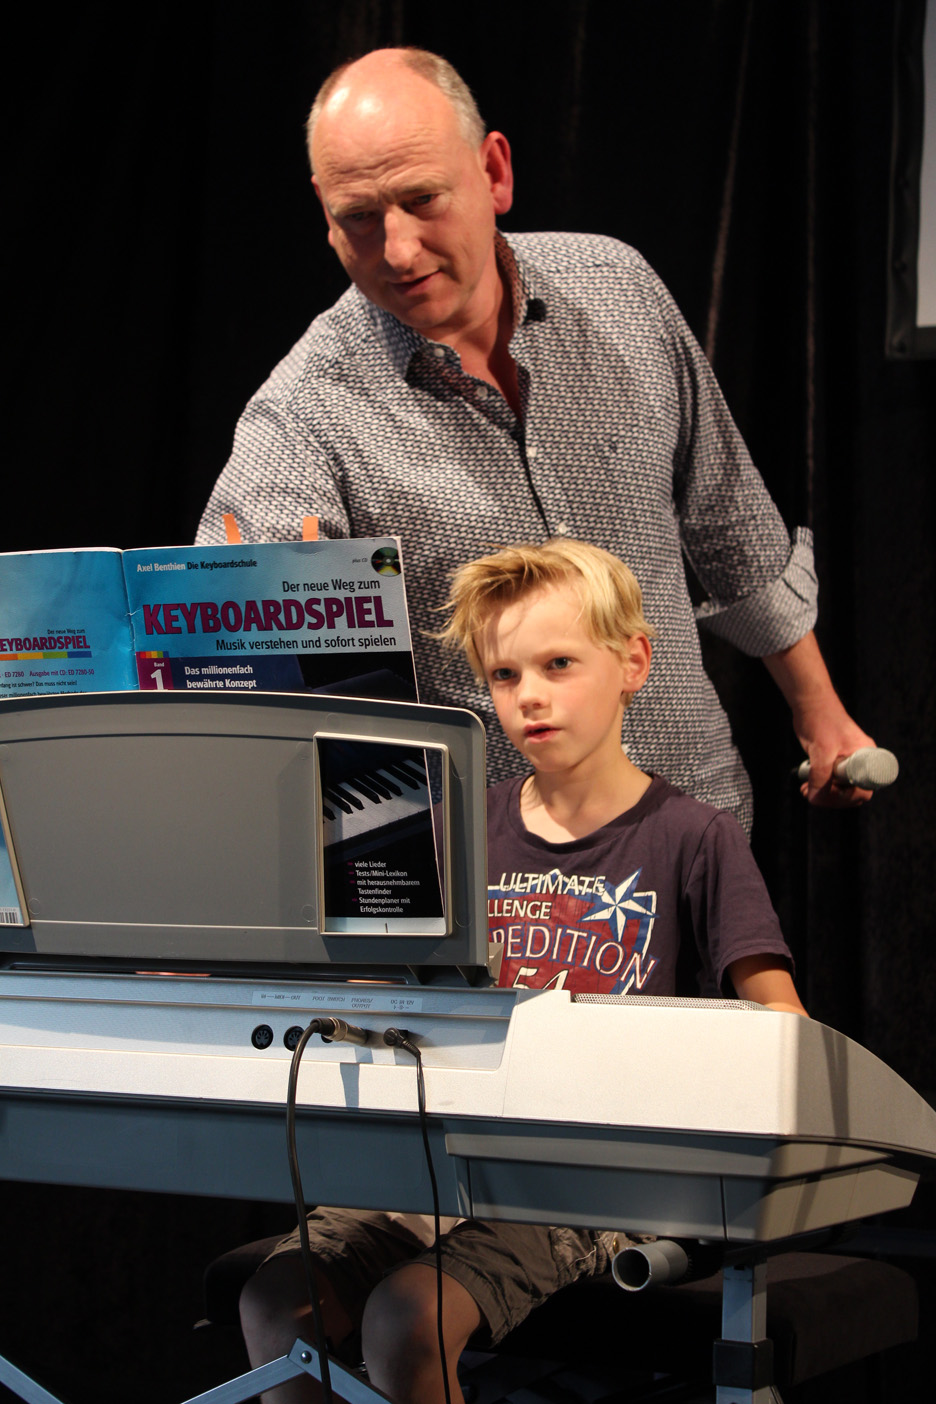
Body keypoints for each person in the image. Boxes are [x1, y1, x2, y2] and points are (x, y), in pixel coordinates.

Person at [196, 45, 875, 833]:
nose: (399, 250)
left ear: (493, 172)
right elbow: (233, 656)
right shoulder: (303, 414)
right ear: (323, 210)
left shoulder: (618, 289)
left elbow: (731, 525)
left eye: (422, 199)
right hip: (502, 876)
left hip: (696, 826)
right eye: (360, 217)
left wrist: (819, 712)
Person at [237, 537, 806, 1404]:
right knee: (276, 1303)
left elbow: (783, 1028)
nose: (529, 695)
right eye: (504, 676)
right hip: (443, 1164)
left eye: (558, 664)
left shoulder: (695, 836)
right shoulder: (455, 824)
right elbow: (387, 994)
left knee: (406, 1319)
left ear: (633, 663)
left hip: (589, 1182)